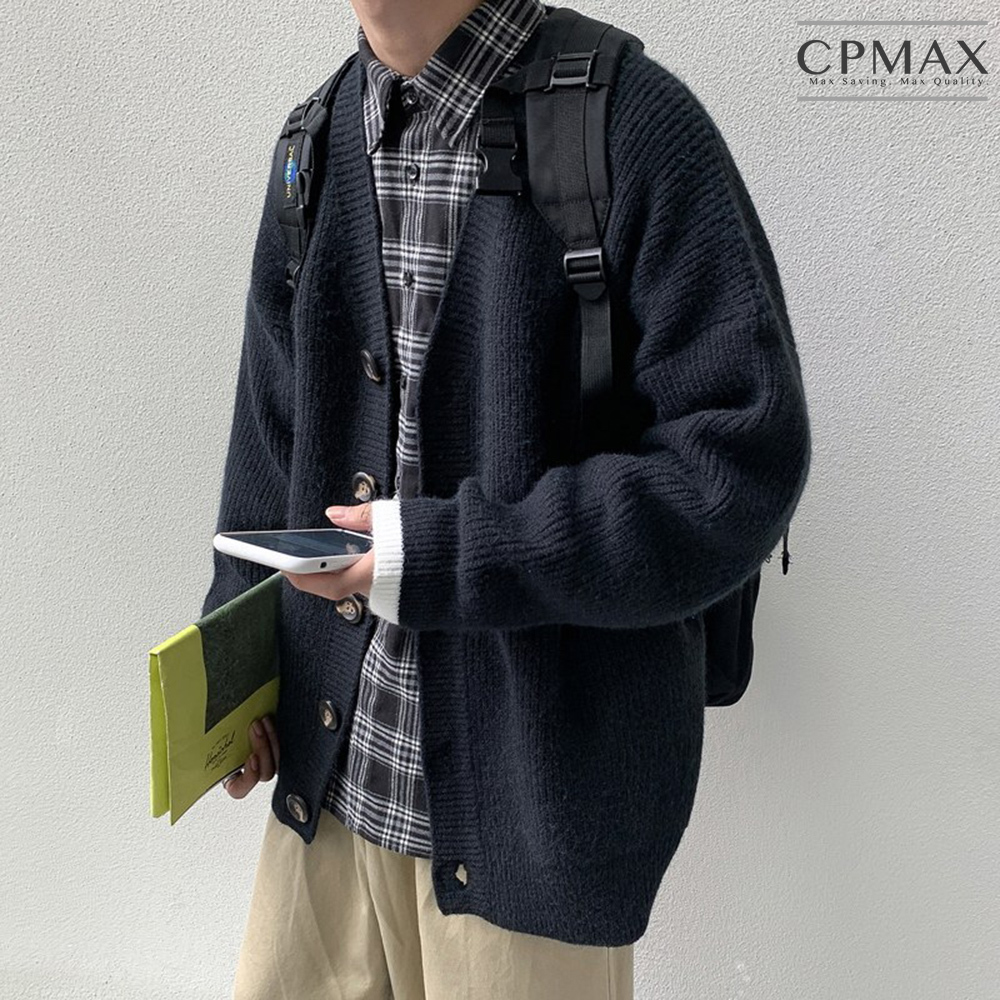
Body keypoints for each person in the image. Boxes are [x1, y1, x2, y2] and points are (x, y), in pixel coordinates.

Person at [204, 0, 812, 996]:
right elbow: (270, 441)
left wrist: (444, 556)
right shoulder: (314, 142)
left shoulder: (629, 124)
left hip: (529, 845)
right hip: (327, 795)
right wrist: (232, 681)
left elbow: (736, 469)